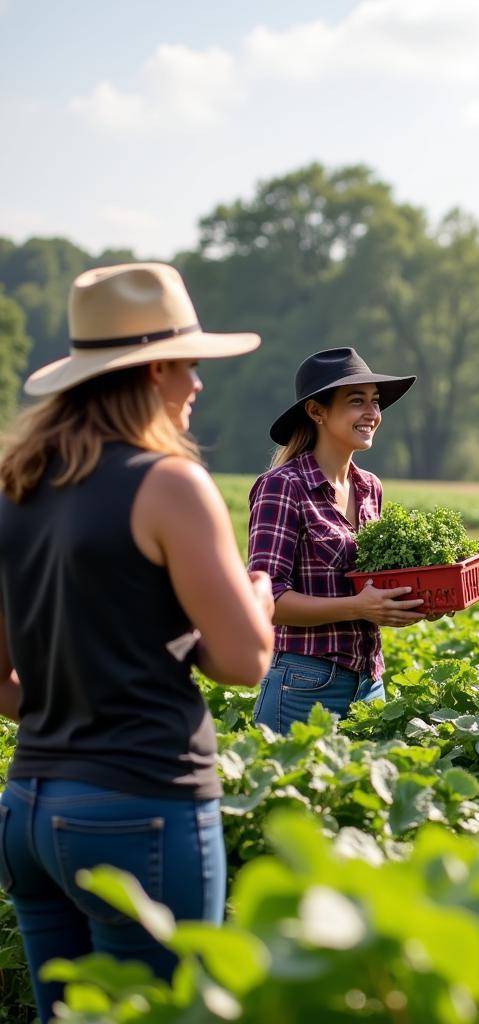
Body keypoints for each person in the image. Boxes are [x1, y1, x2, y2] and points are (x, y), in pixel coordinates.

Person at [0, 262, 275, 1019]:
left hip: (28, 810)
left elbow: (0, 679)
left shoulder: (15, 485)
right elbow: (245, 662)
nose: (198, 385)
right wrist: (257, 596)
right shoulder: (169, 486)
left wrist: (73, 716)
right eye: (190, 366)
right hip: (141, 809)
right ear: (154, 370)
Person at [249, 347, 427, 733]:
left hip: (369, 684)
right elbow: (267, 600)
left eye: (375, 402)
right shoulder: (282, 487)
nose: (372, 414)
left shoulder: (369, 488)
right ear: (317, 412)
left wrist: (410, 603)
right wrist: (358, 608)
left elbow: (372, 587)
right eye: (356, 401)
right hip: (304, 684)